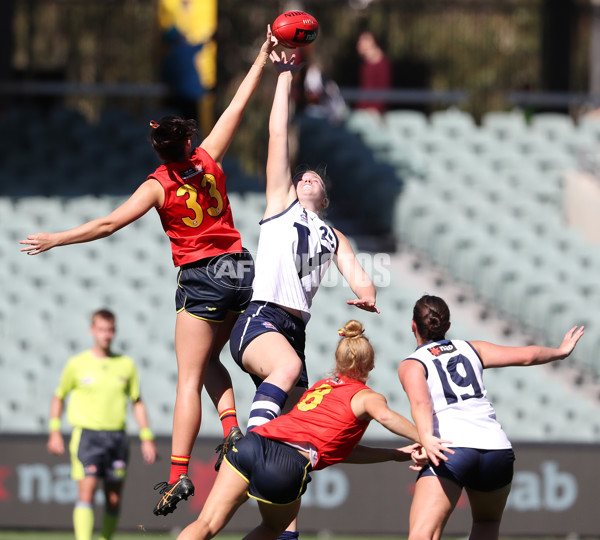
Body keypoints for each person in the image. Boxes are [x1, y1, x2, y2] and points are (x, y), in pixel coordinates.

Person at [20, 27, 277, 517]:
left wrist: (56, 238)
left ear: (159, 151)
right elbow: (236, 110)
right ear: (186, 142)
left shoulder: (158, 185)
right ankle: (232, 431)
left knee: (187, 378)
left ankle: (179, 476)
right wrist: (263, 56)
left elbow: (110, 222)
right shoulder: (208, 159)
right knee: (208, 365)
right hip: (242, 271)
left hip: (202, 277)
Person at [177, 320, 448, 540]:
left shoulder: (321, 387)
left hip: (252, 443)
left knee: (207, 523)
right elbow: (387, 417)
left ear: (339, 361)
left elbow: (340, 451)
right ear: (370, 365)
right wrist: (425, 437)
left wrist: (393, 454)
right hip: (285, 464)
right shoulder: (367, 397)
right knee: (273, 529)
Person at [230, 49, 380, 439]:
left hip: (295, 332)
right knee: (286, 372)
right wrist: (285, 75)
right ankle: (251, 442)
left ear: (325, 200)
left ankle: (265, 478)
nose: (307, 178)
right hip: (261, 319)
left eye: (316, 179)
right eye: (302, 177)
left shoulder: (334, 235)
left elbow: (360, 276)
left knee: (299, 436)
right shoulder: (281, 204)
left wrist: (367, 295)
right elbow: (277, 133)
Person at [397, 294, 585, 540]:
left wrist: (427, 439)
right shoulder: (472, 348)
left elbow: (421, 403)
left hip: (452, 449)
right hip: (496, 450)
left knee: (424, 534)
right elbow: (527, 355)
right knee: (487, 522)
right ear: (448, 326)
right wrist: (560, 352)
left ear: (413, 325)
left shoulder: (412, 364)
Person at [47, 308, 157, 540]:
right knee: (86, 493)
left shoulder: (126, 364)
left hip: (117, 438)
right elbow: (59, 396)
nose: (106, 334)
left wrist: (146, 437)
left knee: (113, 498)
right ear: (92, 331)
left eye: (110, 329)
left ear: (114, 331)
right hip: (88, 437)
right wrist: (54, 430)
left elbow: (137, 401)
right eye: (101, 329)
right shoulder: (77, 364)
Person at [355, 30, 392, 114]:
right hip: (362, 111)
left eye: (364, 40)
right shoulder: (364, 65)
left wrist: (375, 109)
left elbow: (384, 91)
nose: (360, 43)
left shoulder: (383, 64)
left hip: (375, 113)